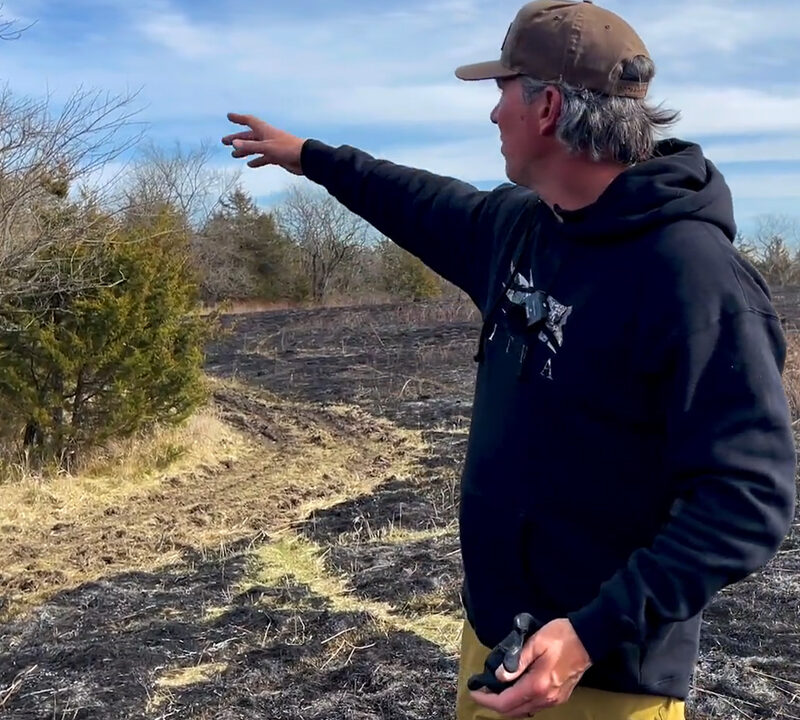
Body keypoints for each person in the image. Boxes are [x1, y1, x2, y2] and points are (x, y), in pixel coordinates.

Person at [221, 1, 798, 718]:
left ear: (548, 106)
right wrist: (311, 157)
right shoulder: (523, 227)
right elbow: (418, 200)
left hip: (604, 679)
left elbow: (746, 500)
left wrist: (590, 633)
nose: (493, 114)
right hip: (492, 643)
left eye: (502, 92)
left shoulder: (693, 277)